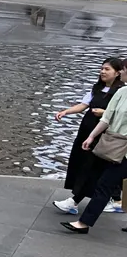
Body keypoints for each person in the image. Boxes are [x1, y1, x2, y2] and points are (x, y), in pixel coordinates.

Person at [53, 58, 126, 216]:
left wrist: (103, 113)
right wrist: (65, 112)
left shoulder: (121, 91)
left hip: (106, 137)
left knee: (94, 168)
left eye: (107, 69)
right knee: (91, 166)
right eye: (102, 69)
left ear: (117, 72)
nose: (103, 72)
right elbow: (83, 105)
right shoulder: (97, 88)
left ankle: (75, 201)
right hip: (88, 133)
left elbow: (118, 116)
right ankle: (116, 199)